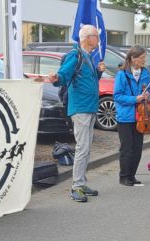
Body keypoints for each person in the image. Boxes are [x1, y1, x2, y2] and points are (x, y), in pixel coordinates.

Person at [49, 24, 106, 202]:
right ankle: (76, 187)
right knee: (82, 148)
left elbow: (89, 80)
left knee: (87, 148)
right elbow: (64, 75)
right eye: (96, 36)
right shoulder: (76, 55)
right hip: (80, 108)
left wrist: (98, 72)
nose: (98, 39)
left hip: (89, 107)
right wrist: (57, 78)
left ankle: (81, 182)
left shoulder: (88, 56)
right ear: (88, 38)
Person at [112, 45, 150, 186]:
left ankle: (132, 175)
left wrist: (147, 95)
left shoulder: (145, 73)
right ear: (132, 58)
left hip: (141, 116)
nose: (143, 60)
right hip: (125, 116)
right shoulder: (122, 74)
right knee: (127, 148)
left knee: (138, 148)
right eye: (141, 58)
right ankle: (124, 176)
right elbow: (117, 96)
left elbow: (148, 89)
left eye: (144, 58)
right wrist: (135, 99)